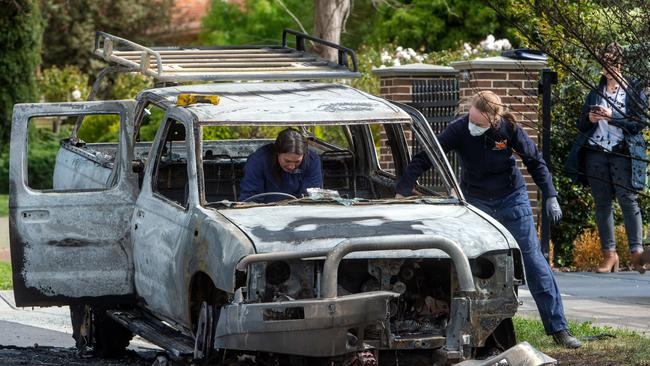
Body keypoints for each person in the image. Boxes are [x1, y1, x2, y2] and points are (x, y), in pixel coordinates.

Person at [395, 91, 581, 349]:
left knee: (534, 263)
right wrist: (403, 187)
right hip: (476, 201)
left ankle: (559, 329)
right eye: (471, 119)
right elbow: (428, 156)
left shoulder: (509, 129)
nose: (473, 126)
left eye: (478, 123)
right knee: (473, 265)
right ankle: (476, 331)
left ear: (493, 120)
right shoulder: (458, 130)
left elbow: (535, 161)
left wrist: (550, 194)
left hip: (511, 199)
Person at [566, 42, 648, 273]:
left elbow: (638, 124)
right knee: (602, 204)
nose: (608, 66)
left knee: (628, 201)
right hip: (596, 152)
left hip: (623, 152)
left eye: (613, 61)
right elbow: (580, 124)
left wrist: (613, 117)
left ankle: (636, 253)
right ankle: (609, 255)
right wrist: (590, 119)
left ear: (620, 63)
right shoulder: (595, 90)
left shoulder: (633, 89)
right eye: (605, 61)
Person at [239, 128, 322, 202]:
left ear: (304, 155)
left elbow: (311, 197)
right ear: (277, 153)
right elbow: (250, 198)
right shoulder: (258, 161)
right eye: (287, 161)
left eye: (297, 162)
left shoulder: (312, 160)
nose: (291, 166)